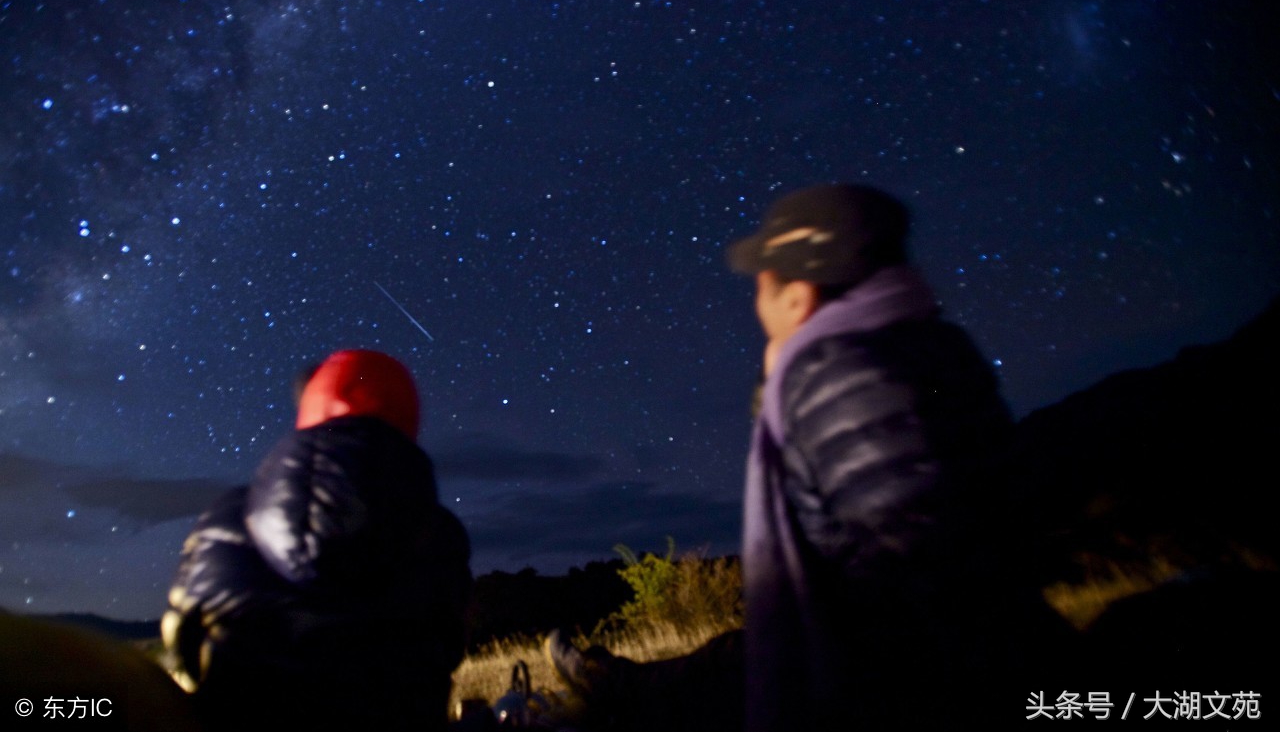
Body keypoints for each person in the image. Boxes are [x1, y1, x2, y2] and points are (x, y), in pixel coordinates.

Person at [547, 184, 1057, 730]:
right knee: (730, 657)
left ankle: (608, 686)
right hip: (965, 652)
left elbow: (922, 579)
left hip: (902, 685)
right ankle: (612, 681)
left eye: (763, 284)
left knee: (737, 666)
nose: (756, 303)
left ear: (798, 294)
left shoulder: (841, 370)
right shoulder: (933, 345)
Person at [162, 349, 472, 731]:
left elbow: (183, 641)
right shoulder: (443, 539)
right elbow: (447, 649)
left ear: (310, 411)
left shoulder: (225, 515)